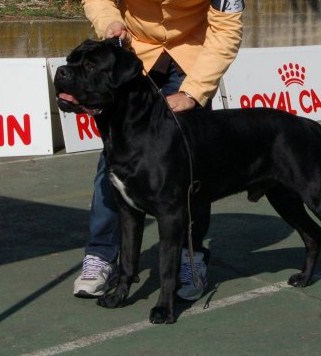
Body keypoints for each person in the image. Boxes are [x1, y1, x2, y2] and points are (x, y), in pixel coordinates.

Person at [74, 0, 244, 302]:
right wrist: (110, 23)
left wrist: (193, 92)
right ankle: (101, 255)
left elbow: (226, 30)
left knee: (192, 164)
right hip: (133, 57)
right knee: (114, 160)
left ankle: (191, 256)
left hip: (193, 58)